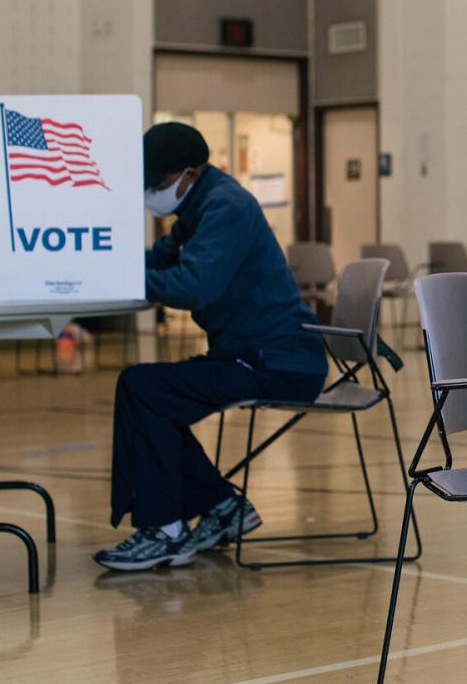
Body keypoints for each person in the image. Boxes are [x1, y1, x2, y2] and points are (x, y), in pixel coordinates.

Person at [94, 123, 327, 572]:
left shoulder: (226, 208)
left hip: (278, 360)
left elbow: (194, 287)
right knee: (151, 394)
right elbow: (160, 259)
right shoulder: (198, 207)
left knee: (145, 389)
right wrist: (97, 258)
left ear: (189, 172)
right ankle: (222, 507)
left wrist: (118, 278)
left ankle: (165, 530)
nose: (150, 193)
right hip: (251, 354)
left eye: (156, 184)